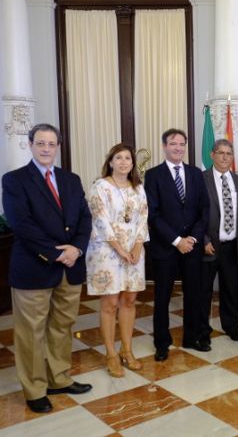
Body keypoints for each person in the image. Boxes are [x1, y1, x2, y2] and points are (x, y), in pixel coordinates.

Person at [2, 123, 92, 413]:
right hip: (34, 268)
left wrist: (76, 249)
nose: (45, 149)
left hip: (70, 267)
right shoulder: (15, 180)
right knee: (31, 332)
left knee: (62, 327)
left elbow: (84, 219)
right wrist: (56, 254)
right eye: (40, 143)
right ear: (30, 144)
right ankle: (35, 388)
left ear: (58, 147)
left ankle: (59, 378)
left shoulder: (71, 179)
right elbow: (21, 224)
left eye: (51, 144)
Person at [144, 129, 209, 361]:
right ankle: (162, 342)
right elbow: (153, 214)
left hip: (192, 247)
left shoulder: (195, 173)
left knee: (194, 294)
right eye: (173, 144)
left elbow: (204, 210)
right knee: (162, 296)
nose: (178, 148)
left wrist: (191, 239)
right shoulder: (153, 175)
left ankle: (191, 337)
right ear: (164, 146)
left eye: (182, 144)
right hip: (165, 248)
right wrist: (176, 240)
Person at [86, 144, 148, 377]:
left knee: (129, 300)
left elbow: (143, 218)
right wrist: (121, 249)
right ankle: (111, 353)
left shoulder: (138, 188)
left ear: (133, 163)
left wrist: (138, 245)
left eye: (128, 158)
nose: (123, 162)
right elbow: (100, 220)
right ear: (110, 161)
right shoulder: (100, 187)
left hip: (134, 251)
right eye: (118, 158)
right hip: (107, 251)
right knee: (110, 302)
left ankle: (127, 350)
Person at [202, 139, 238, 343]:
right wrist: (203, 240)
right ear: (212, 155)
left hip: (232, 246)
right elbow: (196, 214)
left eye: (228, 153)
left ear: (232, 157)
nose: (224, 157)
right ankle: (202, 331)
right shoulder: (200, 179)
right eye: (220, 153)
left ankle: (231, 326)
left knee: (231, 290)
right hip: (209, 246)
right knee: (203, 291)